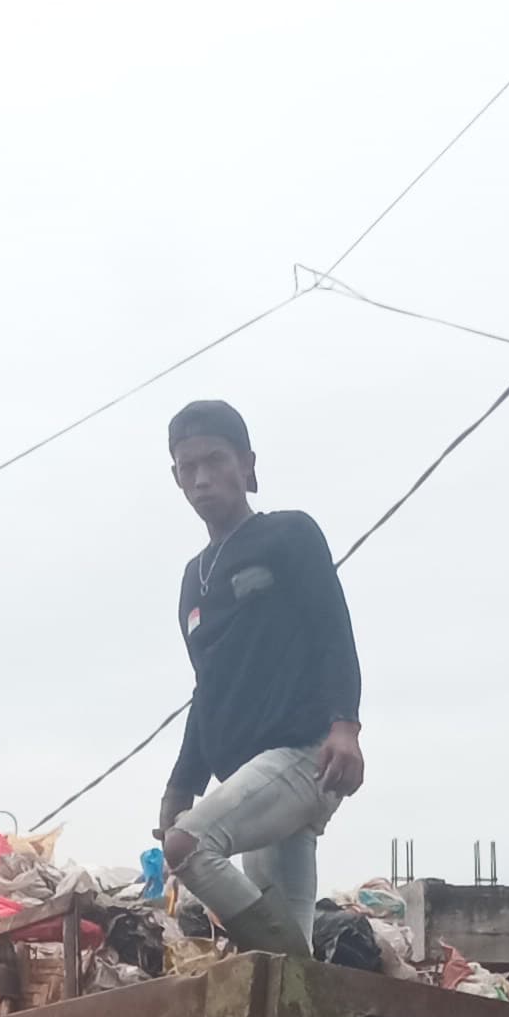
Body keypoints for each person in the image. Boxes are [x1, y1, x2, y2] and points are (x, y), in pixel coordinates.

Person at [151, 399, 363, 956]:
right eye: (187, 467)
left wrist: (346, 726)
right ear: (176, 478)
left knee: (190, 844)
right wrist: (182, 782)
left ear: (246, 465)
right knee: (282, 928)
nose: (201, 478)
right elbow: (208, 689)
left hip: (303, 753)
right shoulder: (192, 581)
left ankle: (293, 975)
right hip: (248, 773)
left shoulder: (289, 535)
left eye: (215, 461)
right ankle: (298, 1008)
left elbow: (332, 629)